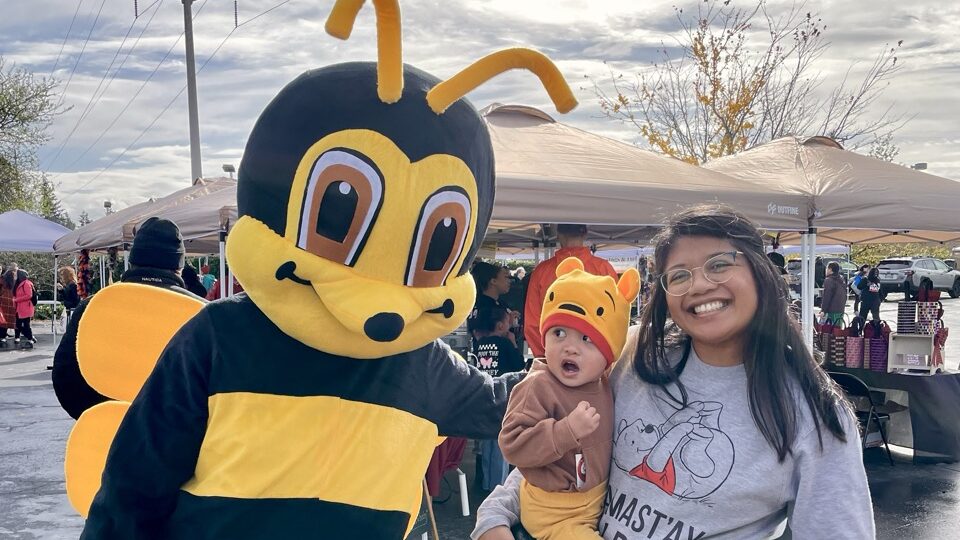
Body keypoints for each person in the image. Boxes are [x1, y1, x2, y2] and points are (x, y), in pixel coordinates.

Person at [474, 205, 873, 540]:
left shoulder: (813, 413)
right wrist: (496, 515)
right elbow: (565, 448)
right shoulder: (633, 354)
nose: (698, 285)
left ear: (759, 271)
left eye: (719, 264)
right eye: (679, 275)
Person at [500, 257, 638, 540]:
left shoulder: (603, 381)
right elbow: (512, 445)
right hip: (555, 512)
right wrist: (565, 431)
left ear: (609, 355)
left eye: (587, 339)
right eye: (559, 333)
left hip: (596, 501)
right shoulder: (538, 385)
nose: (570, 348)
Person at [52, 217, 205, 420]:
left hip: (107, 431)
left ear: (132, 261)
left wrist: (102, 415)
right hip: (180, 432)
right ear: (179, 266)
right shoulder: (202, 312)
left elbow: (65, 375)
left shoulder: (93, 305)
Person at [524, 224, 618, 358]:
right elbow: (616, 318)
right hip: (595, 356)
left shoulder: (542, 271)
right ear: (585, 234)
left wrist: (544, 357)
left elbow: (533, 323)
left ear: (558, 235)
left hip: (554, 354)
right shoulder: (604, 268)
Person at [472, 306, 526, 492]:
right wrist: (513, 343)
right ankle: (498, 486)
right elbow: (518, 365)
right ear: (501, 325)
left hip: (483, 395)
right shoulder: (505, 343)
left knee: (486, 443)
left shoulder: (480, 344)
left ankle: (486, 483)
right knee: (500, 443)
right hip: (502, 398)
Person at [469, 262, 518, 341]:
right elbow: (490, 333)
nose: (509, 280)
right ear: (493, 281)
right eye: (506, 277)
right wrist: (508, 324)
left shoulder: (474, 303)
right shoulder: (489, 307)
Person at [13, 269, 36, 349]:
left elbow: (29, 295)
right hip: (21, 307)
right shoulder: (21, 283)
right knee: (18, 324)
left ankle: (30, 338)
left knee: (25, 325)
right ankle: (27, 337)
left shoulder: (26, 283)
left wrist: (16, 300)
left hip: (26, 307)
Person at [820, 261, 847, 325]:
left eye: (827, 268)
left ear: (830, 269)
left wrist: (823, 310)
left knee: (828, 329)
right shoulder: (841, 279)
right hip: (840, 309)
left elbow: (827, 296)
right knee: (837, 328)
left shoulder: (829, 280)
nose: (826, 270)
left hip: (831, 310)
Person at [0, 263, 17, 345]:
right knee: (10, 319)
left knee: (3, 320)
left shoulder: (2, 279)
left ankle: (2, 336)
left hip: (3, 300)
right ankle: (16, 337)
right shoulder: (16, 279)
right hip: (13, 300)